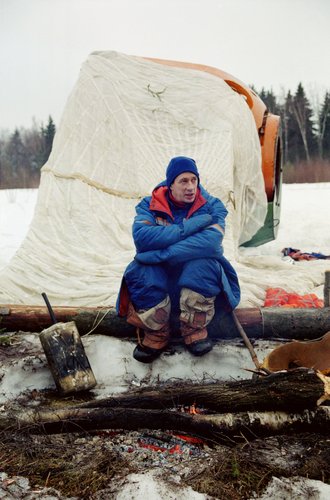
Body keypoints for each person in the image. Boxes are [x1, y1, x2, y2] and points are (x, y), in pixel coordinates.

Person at [117, 156, 240, 363]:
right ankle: (157, 331)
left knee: (204, 264)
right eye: (183, 181)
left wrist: (163, 253)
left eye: (194, 180)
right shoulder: (150, 205)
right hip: (161, 277)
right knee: (141, 269)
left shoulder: (211, 206)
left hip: (194, 277)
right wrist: (187, 228)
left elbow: (210, 243)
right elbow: (143, 238)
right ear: (170, 184)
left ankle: (193, 327)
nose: (191, 187)